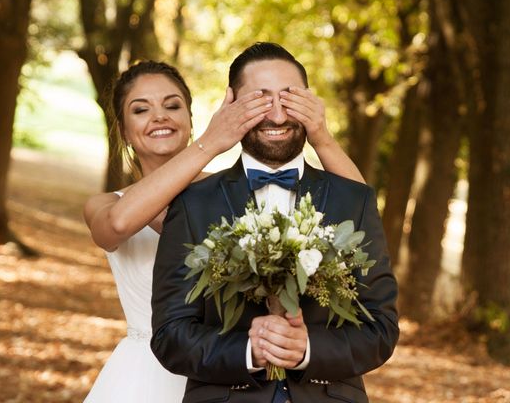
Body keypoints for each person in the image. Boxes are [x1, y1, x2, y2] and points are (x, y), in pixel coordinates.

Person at [83, 59, 366, 402]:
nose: (160, 116)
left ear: (190, 120)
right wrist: (210, 142)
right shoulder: (105, 205)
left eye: (172, 106)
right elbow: (117, 225)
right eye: (141, 110)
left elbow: (359, 213)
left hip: (230, 373)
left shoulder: (231, 193)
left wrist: (321, 136)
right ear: (124, 130)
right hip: (144, 375)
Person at [151, 43, 399, 403]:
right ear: (232, 104)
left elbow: (382, 328)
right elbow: (170, 334)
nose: (278, 116)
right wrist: (249, 349)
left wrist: (308, 349)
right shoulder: (192, 203)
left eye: (290, 98)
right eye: (261, 100)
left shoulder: (354, 200)